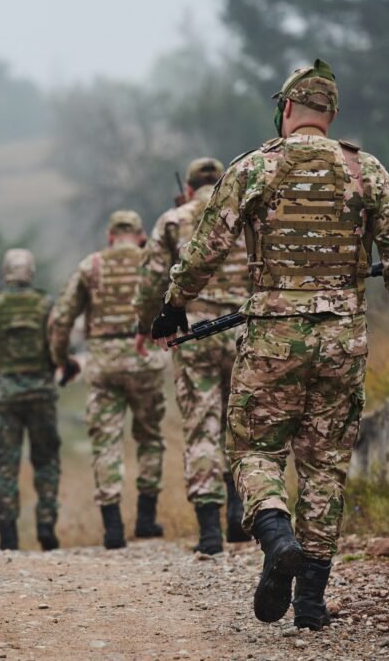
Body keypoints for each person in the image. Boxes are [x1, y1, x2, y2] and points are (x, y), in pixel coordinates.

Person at [152, 59, 389, 630]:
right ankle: (310, 602)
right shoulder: (366, 170)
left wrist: (174, 305)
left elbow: (206, 246)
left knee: (253, 449)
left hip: (273, 337)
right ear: (330, 114)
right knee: (326, 466)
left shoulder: (256, 166)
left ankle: (276, 534)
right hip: (343, 340)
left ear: (285, 110)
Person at [134, 157, 249, 555]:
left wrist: (145, 324)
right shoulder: (245, 209)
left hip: (193, 333)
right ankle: (239, 513)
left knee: (202, 425)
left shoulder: (173, 219)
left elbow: (151, 279)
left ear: (188, 186)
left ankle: (208, 529)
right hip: (242, 329)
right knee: (241, 423)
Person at [49, 210, 167, 549]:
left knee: (106, 441)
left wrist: (62, 360)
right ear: (141, 235)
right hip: (144, 358)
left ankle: (113, 527)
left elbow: (61, 318)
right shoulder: (153, 261)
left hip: (103, 365)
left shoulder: (91, 266)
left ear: (110, 235)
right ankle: (146, 519)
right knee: (150, 437)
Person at [0, 248, 60, 551]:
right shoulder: (46, 304)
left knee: (4, 465)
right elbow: (59, 348)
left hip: (3, 397)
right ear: (31, 272)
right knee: (46, 460)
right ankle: (47, 526)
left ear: (5, 272)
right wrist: (64, 366)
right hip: (42, 394)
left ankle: (8, 535)